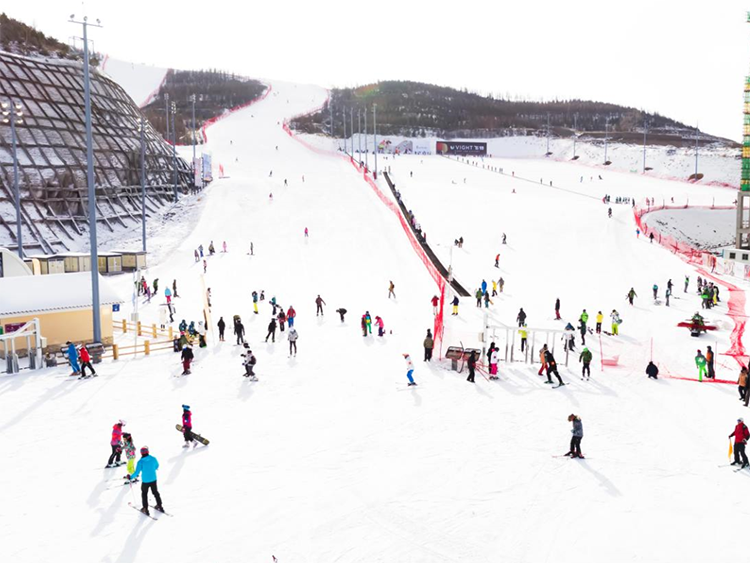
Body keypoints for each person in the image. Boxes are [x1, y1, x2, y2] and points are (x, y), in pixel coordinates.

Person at [127, 446, 164, 515]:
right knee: (155, 492)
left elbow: (136, 472)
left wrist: (130, 477)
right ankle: (159, 505)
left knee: (144, 494)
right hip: (153, 479)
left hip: (145, 481)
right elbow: (157, 466)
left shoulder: (140, 462)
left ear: (141, 453)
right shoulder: (153, 459)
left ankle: (145, 508)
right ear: (148, 452)